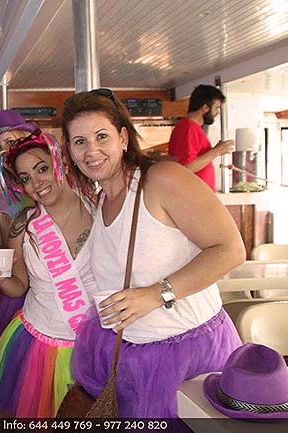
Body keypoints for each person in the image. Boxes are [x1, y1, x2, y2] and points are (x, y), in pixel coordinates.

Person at [62, 88, 245, 418]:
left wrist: (155, 294)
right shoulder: (100, 200)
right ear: (71, 152)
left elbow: (231, 249)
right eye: (79, 142)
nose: (91, 151)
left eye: (101, 136)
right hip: (130, 353)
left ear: (123, 138)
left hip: (187, 354)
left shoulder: (161, 179)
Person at [0, 132, 94, 417]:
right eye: (25, 178)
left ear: (61, 163)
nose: (36, 183)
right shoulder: (23, 226)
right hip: (41, 344)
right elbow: (19, 286)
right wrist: (1, 278)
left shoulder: (99, 209)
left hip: (94, 343)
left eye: (42, 168)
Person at [0, 110, 38, 354]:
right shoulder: (2, 199)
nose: (5, 152)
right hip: (25, 299)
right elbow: (15, 256)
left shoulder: (49, 184)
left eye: (11, 142)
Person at [168, 84, 235, 191]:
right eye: (216, 107)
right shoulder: (188, 128)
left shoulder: (192, 127)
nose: (218, 112)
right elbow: (187, 167)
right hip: (193, 196)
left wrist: (216, 150)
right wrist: (217, 151)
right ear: (205, 108)